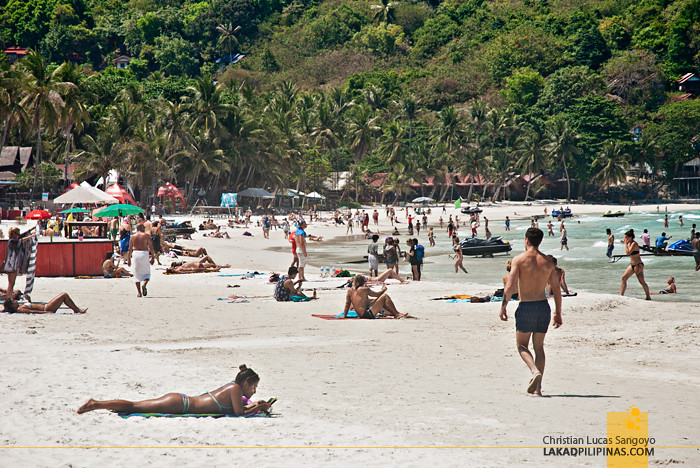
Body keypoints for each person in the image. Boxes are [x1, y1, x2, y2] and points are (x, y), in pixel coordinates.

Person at [499, 228, 562, 396]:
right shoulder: (548, 262)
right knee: (539, 347)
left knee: (521, 346)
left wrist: (503, 307)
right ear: (540, 241)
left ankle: (534, 371)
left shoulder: (519, 260)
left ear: (526, 240)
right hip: (543, 307)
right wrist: (558, 312)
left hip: (526, 307)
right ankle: (538, 389)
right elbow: (556, 289)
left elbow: (510, 285)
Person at [77, 364, 271, 416]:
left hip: (181, 401)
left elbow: (240, 408)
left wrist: (256, 404)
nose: (254, 392)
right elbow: (239, 413)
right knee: (135, 406)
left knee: (137, 405)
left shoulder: (233, 387)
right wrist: (259, 408)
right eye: (254, 387)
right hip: (180, 405)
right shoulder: (236, 388)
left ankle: (97, 404)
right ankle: (96, 404)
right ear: (246, 383)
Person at [342, 275, 407, 319]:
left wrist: (344, 316)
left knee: (379, 300)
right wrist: (383, 290)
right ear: (362, 282)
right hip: (366, 314)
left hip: (361, 314)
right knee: (385, 296)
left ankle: (394, 313)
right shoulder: (364, 289)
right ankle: (396, 314)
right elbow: (377, 294)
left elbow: (347, 304)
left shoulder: (350, 290)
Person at [3, 227, 36, 299]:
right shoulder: (12, 241)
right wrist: (32, 236)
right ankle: (9, 298)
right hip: (11, 265)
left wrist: (31, 229)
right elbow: (21, 240)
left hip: (12, 265)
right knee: (11, 283)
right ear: (13, 234)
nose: (18, 235)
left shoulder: (13, 240)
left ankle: (10, 297)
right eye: (17, 234)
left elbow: (22, 237)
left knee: (12, 283)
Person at [620, 229, 651, 300]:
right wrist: (626, 243)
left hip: (638, 265)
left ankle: (648, 297)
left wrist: (625, 243)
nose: (625, 239)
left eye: (626, 237)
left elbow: (628, 253)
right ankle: (621, 295)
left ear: (630, 237)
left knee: (642, 282)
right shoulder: (628, 243)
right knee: (623, 278)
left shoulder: (634, 244)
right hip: (632, 265)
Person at [127, 224, 155, 298]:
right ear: (141, 228)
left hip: (135, 254)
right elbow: (151, 247)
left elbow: (130, 249)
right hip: (144, 254)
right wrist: (153, 257)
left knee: (136, 274)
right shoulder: (146, 236)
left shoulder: (132, 236)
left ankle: (139, 293)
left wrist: (129, 259)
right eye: (144, 227)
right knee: (147, 273)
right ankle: (144, 284)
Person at [3, 292, 87, 314]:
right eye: (13, 301)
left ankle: (76, 309)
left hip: (47, 307)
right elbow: (33, 312)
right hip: (47, 308)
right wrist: (46, 312)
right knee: (64, 295)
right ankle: (77, 310)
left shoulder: (20, 308)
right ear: (12, 305)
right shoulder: (21, 309)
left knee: (64, 296)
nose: (15, 300)